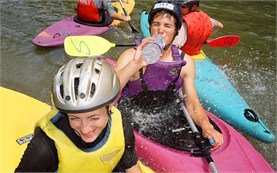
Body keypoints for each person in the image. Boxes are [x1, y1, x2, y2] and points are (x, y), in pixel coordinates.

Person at [115, 1, 223, 150]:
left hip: (165, 114)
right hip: (132, 114)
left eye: (167, 26)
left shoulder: (185, 62)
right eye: (156, 24)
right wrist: (136, 64)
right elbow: (109, 93)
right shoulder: (130, 56)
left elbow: (192, 102)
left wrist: (206, 126)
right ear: (150, 28)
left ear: (176, 31)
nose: (161, 30)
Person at [15, 58, 141, 173]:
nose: (85, 129)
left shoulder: (120, 123)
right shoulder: (44, 147)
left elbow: (130, 165)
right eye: (74, 118)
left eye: (94, 118)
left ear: (110, 106)